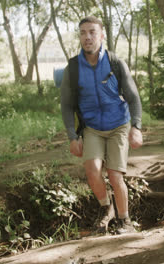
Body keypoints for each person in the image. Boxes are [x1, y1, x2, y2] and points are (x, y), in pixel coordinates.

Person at [60, 16, 143, 235]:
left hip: (118, 125)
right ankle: (107, 208)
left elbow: (133, 98)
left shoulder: (115, 63)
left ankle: (126, 222)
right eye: (83, 33)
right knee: (93, 170)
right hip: (92, 128)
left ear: (102, 35)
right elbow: (67, 106)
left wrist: (136, 127)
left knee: (115, 176)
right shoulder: (73, 68)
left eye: (92, 32)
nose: (87, 37)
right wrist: (72, 137)